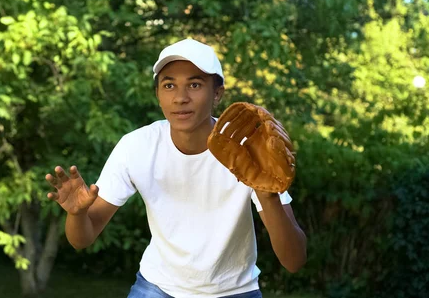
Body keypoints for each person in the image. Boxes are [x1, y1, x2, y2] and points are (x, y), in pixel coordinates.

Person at [45, 38, 307, 298]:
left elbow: (294, 261)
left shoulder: (248, 150)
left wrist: (267, 194)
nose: (180, 98)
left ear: (217, 93)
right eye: (169, 85)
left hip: (234, 292)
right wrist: (77, 214)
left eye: (195, 84)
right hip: (157, 289)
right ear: (158, 94)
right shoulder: (137, 146)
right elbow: (83, 239)